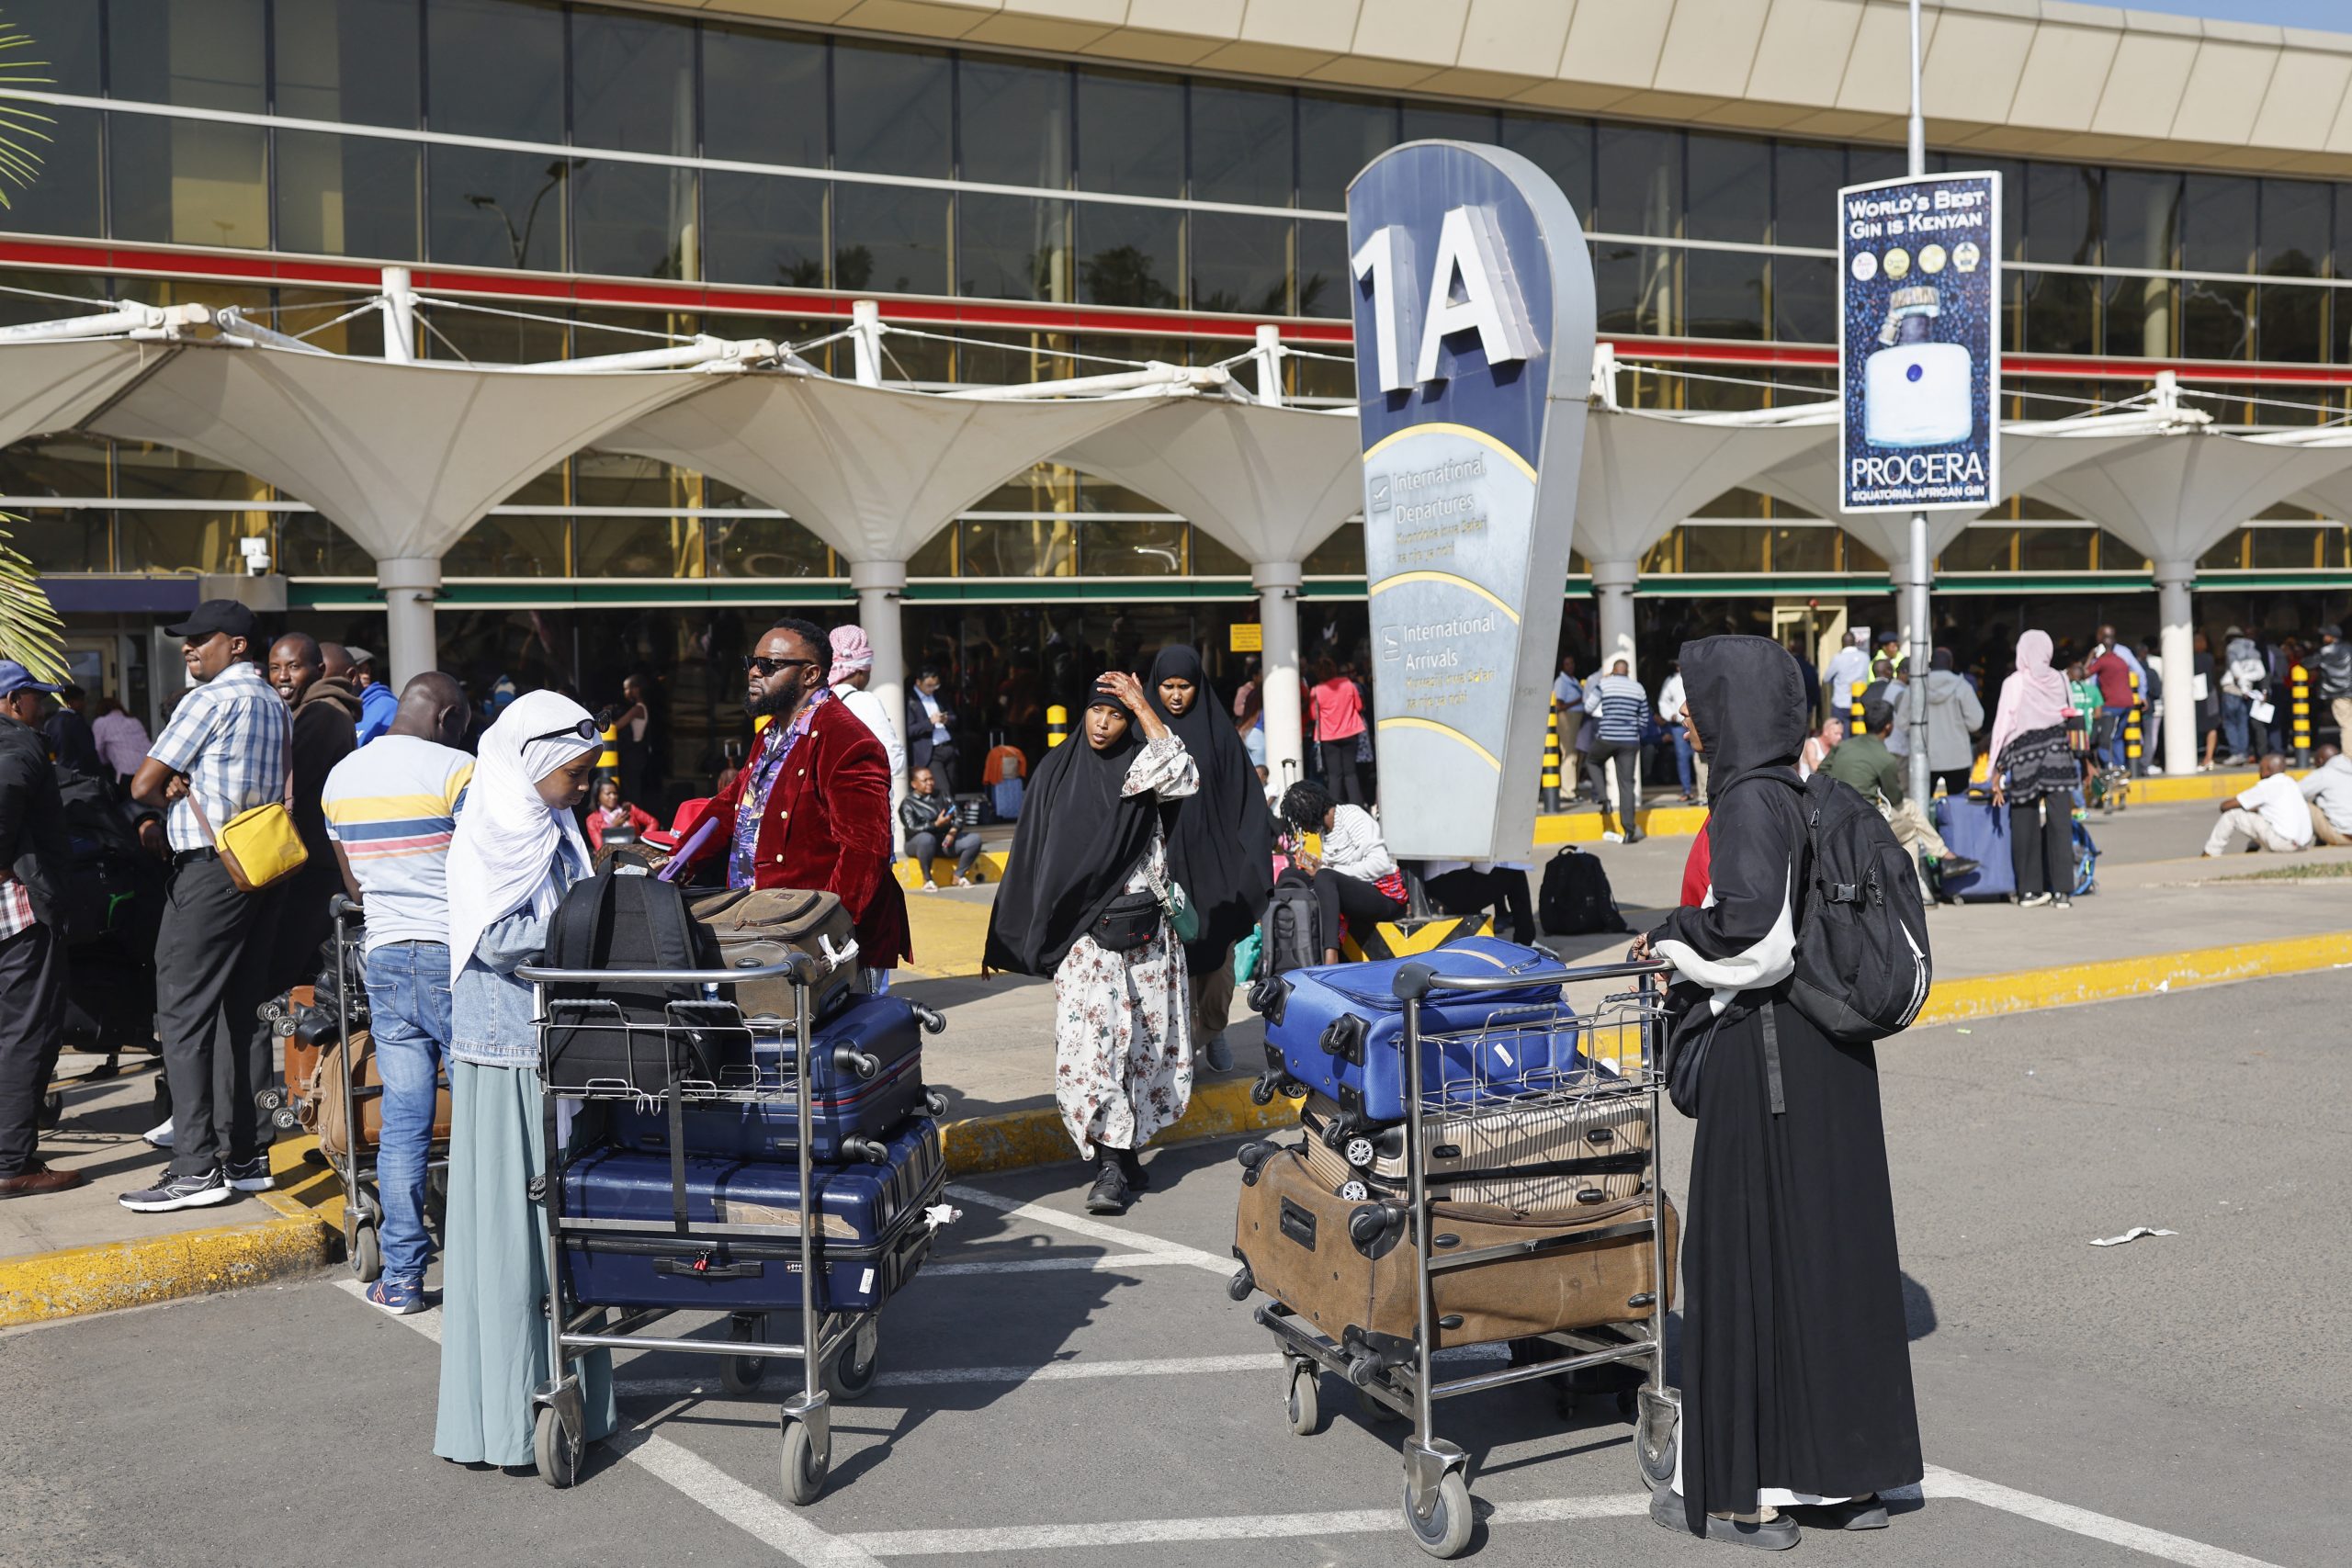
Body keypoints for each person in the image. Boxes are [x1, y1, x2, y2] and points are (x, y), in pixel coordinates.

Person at [1634, 633, 1921, 1548]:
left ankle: (1735, 1491)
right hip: (1824, 1067)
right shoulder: (1807, 791)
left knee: (1733, 1270)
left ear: (1729, 713)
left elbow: (1755, 945)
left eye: (1695, 701)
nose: (1685, 717)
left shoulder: (1747, 800)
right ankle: (1835, 1480)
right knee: (1823, 1264)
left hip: (1759, 1068)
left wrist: (1669, 943)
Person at [434, 690, 616, 1467]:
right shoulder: (491, 829)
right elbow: (505, 938)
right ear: (535, 763)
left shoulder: (551, 822)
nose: (582, 788)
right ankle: (509, 1417)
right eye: (574, 774)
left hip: (556, 1045)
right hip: (507, 1053)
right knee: (515, 1237)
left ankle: (575, 1393)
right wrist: (603, 911)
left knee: (560, 1234)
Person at [982, 672, 1198, 1216]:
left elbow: (1184, 775)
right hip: (1084, 939)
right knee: (1092, 1049)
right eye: (1098, 711)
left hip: (1145, 934)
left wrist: (1142, 704)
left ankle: (1124, 1155)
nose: (1104, 723)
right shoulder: (1056, 769)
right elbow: (1032, 857)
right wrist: (1007, 934)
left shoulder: (1140, 769)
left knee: (1146, 1047)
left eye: (1117, 714)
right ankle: (1108, 1167)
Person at [117, 602, 294, 1209]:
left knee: (184, 1012)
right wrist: (178, 778)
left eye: (202, 639)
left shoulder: (209, 700)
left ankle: (194, 1167)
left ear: (237, 644)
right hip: (261, 865)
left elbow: (142, 783)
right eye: (186, 641)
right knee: (243, 1013)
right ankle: (247, 1156)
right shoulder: (274, 702)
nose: (190, 649)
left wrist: (167, 781)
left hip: (209, 869)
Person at [320, 672, 474, 1315]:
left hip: (383, 954)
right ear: (448, 717)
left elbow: (355, 888)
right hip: (456, 957)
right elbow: (482, 868)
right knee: (481, 1118)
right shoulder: (460, 770)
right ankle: (485, 1265)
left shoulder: (341, 777)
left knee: (406, 1121)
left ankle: (405, 1276)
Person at [668, 618, 910, 981]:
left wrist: (827, 935)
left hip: (820, 947)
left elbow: (864, 851)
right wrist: (673, 866)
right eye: (751, 661)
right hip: (766, 933)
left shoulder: (847, 741)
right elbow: (728, 808)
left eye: (768, 665)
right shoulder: (772, 734)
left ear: (810, 674)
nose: (753, 672)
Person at [1146, 645, 1271, 1074]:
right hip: (1163, 868)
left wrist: (1249, 864)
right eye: (1168, 687)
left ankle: (1213, 1030)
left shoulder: (1219, 734)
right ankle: (1182, 1048)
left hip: (1216, 869)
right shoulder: (1144, 731)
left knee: (1217, 965)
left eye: (1185, 686)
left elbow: (1246, 801)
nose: (1177, 696)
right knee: (1172, 966)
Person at [0, 660, 83, 1199]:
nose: (42, 708)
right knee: (25, 1034)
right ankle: (12, 1163)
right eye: (34, 697)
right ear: (12, 701)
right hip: (18, 912)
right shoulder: (17, 743)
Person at [268, 633, 360, 986]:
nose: (283, 676)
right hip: (314, 859)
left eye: (293, 667)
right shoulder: (315, 710)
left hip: (312, 862)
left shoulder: (323, 712)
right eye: (275, 667)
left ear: (318, 670)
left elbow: (290, 777)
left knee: (284, 971)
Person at [1820, 699, 1978, 894]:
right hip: (1864, 822)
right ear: (1889, 727)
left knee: (1910, 808)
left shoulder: (1843, 746)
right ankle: (1913, 886)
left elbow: (1821, 772)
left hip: (1835, 816)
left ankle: (1945, 856)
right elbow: (1894, 798)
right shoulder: (1885, 758)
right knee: (1911, 831)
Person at [1985, 630, 2082, 911]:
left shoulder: (2015, 682)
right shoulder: (2061, 678)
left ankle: (2029, 890)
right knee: (2060, 824)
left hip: (2024, 760)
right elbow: (2071, 714)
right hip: (2058, 758)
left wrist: (1996, 768)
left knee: (2024, 824)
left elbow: (2005, 725)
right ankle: (2062, 892)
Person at [1280, 779, 1406, 964]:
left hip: (1383, 895)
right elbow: (1335, 872)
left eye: (1301, 821)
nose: (1303, 829)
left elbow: (1380, 864)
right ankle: (1284, 951)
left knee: (1324, 876)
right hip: (1352, 892)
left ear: (1309, 812)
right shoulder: (1325, 830)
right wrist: (1322, 868)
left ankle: (1331, 955)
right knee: (1289, 875)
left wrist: (1329, 870)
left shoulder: (1351, 816)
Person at [829, 625, 910, 858]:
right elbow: (893, 760)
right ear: (861, 671)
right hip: (868, 823)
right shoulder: (865, 702)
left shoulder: (822, 702)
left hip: (832, 821)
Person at [1581, 658, 1647, 841]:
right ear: (1627, 672)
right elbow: (1644, 718)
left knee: (1592, 761)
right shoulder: (1638, 688)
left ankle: (1604, 799)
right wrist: (1634, 730)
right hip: (1629, 742)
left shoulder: (1604, 684)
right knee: (1626, 784)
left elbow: (1588, 707)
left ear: (1613, 670)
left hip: (1607, 738)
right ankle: (1628, 830)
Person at [2202, 753, 2313, 857]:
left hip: (2284, 844)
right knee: (2262, 817)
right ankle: (2251, 851)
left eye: (2261, 768)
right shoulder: (2291, 783)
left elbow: (2225, 806)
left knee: (2231, 815)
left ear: (2267, 771)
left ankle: (2210, 853)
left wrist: (2248, 807)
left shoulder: (2267, 786)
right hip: (2304, 843)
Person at [1910, 648, 1984, 798]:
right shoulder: (1962, 687)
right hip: (1957, 757)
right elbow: (1976, 722)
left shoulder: (1917, 687)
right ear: (1951, 664)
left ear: (1931, 664)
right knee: (1958, 806)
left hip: (1925, 756)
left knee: (1921, 807)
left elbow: (1902, 722)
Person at [1419, 861, 1537, 945]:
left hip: (1432, 888)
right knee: (1516, 874)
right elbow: (1483, 867)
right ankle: (1524, 941)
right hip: (1454, 892)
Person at [900, 765, 981, 888]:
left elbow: (959, 815)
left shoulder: (942, 795)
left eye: (931, 779)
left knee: (974, 840)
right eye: (925, 780)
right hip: (919, 844)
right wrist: (935, 824)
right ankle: (927, 879)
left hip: (944, 840)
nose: (930, 783)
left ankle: (959, 875)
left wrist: (952, 832)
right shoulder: (908, 803)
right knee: (927, 839)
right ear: (914, 784)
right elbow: (912, 828)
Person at [1307, 657, 1368, 807]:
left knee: (1334, 776)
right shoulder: (1347, 684)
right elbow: (1359, 706)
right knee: (1351, 773)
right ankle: (1357, 808)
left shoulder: (1316, 691)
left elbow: (1313, 716)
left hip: (1329, 736)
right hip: (1350, 732)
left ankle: (1335, 810)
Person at [2085, 631, 2139, 773]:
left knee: (2105, 738)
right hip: (2128, 704)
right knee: (2117, 736)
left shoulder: (2103, 661)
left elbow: (2084, 673)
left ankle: (2110, 766)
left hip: (2112, 705)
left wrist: (2091, 656)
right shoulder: (2121, 660)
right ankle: (2120, 766)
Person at [905, 666, 959, 790]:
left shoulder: (939, 695)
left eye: (935, 685)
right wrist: (930, 722)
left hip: (948, 746)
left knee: (953, 787)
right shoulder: (910, 700)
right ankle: (949, 810)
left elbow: (954, 717)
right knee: (944, 790)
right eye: (929, 685)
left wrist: (946, 720)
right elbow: (909, 730)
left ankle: (950, 809)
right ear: (918, 682)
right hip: (930, 752)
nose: (932, 689)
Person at [2219, 627, 2266, 763]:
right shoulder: (2253, 649)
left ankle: (2236, 752)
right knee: (2242, 723)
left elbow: (2236, 671)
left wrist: (2243, 686)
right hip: (2245, 692)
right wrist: (2246, 687)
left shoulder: (2231, 648)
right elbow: (2260, 672)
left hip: (2232, 690)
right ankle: (2243, 753)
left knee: (2230, 723)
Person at [1657, 660, 1698, 803]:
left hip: (1698, 723)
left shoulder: (1698, 676)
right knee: (1683, 758)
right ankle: (1687, 790)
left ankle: (1704, 790)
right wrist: (1670, 715)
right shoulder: (1671, 682)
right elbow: (1663, 702)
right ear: (1677, 667)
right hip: (1678, 725)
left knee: (1701, 758)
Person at [2297, 741, 2352, 846]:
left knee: (2303, 804)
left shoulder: (2324, 773)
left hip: (2343, 836)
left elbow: (2294, 792)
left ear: (2320, 760)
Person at [90, 694, 151, 790]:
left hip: (128, 770)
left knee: (128, 803)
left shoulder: (101, 723)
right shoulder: (134, 721)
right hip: (149, 767)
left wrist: (106, 763)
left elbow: (98, 750)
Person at [40, 684, 102, 779]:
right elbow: (88, 752)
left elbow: (49, 750)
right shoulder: (76, 722)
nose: (84, 704)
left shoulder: (50, 722)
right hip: (80, 776)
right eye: (81, 700)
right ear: (70, 702)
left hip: (58, 776)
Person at [583, 776, 656, 854]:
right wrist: (613, 827)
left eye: (615, 793)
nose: (613, 797)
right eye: (608, 794)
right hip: (612, 858)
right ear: (598, 796)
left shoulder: (628, 809)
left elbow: (653, 822)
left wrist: (642, 840)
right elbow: (600, 848)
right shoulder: (592, 820)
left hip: (635, 853)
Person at [346, 647, 398, 746]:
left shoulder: (386, 706)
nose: (366, 676)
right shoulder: (335, 709)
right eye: (359, 671)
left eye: (367, 671)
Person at [2315, 624, 2352, 748]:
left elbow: (2308, 662)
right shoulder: (2349, 648)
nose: (2324, 637)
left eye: (2326, 635)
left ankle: (2349, 756)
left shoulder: (2327, 650)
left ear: (2331, 637)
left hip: (2341, 692)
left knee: (2346, 724)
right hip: (2347, 690)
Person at [1821, 630, 1869, 719]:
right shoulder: (1865, 657)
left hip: (1841, 703)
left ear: (1842, 643)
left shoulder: (1838, 658)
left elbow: (1826, 678)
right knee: (1859, 732)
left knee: (1841, 732)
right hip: (1860, 703)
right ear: (1855, 642)